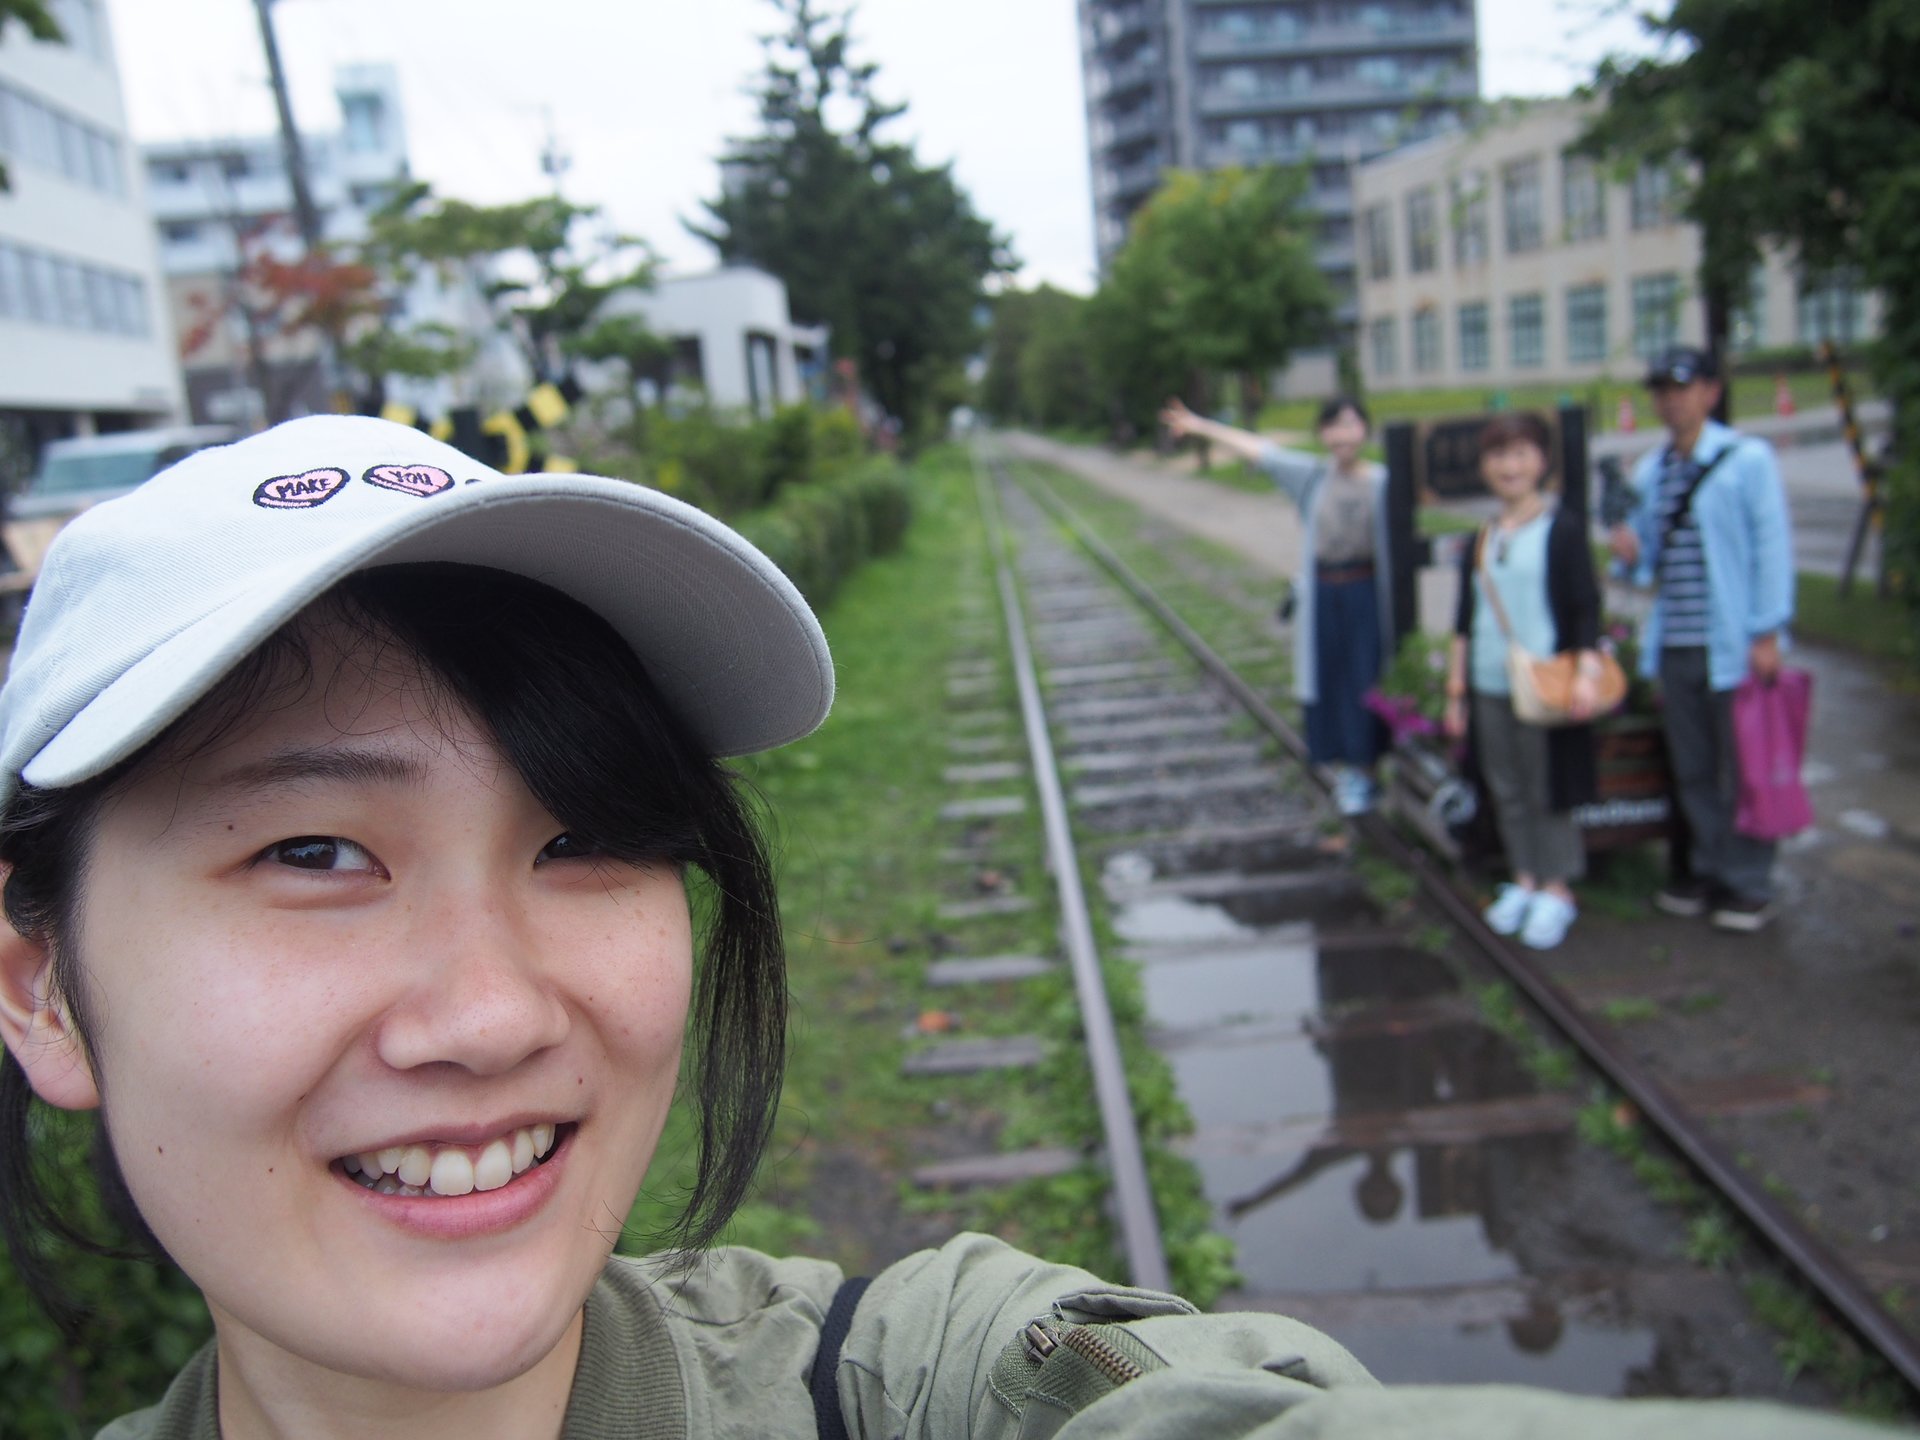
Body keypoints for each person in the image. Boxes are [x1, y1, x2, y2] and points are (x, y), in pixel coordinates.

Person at [0, 418, 1888, 1438]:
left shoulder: (915, 1394)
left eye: (591, 834)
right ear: (40, 983)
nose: (492, 1011)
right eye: (317, 852)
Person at [1608, 347, 1795, 932]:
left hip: (1733, 644)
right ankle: (1708, 869)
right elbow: (1644, 566)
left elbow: (1772, 548)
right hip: (1677, 642)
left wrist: (1767, 629)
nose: (1670, 399)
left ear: (1710, 392)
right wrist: (1629, 554)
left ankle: (1749, 882)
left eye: (1682, 387)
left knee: (1742, 768)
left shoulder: (1745, 460)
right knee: (1693, 766)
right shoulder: (1652, 470)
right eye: (1661, 389)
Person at [1160, 395, 1393, 815]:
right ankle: (1348, 772)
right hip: (1325, 591)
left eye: (1352, 424)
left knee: (1367, 679)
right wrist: (1200, 426)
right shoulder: (1310, 476)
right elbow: (1258, 450)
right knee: (1330, 679)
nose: (1343, 435)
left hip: (1366, 592)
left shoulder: (1382, 481)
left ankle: (1369, 768)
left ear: (1365, 431)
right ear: (1322, 434)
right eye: (1334, 425)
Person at [1443, 413, 1603, 950]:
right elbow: (1464, 619)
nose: (1509, 467)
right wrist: (1456, 689)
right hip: (1489, 682)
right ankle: (1525, 879)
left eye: (1520, 454)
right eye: (1498, 456)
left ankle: (1557, 888)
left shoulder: (1562, 530)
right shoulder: (1483, 537)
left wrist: (1585, 672)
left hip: (1543, 684)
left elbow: (1585, 609)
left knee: (1546, 786)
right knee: (1506, 787)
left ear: (1542, 460)